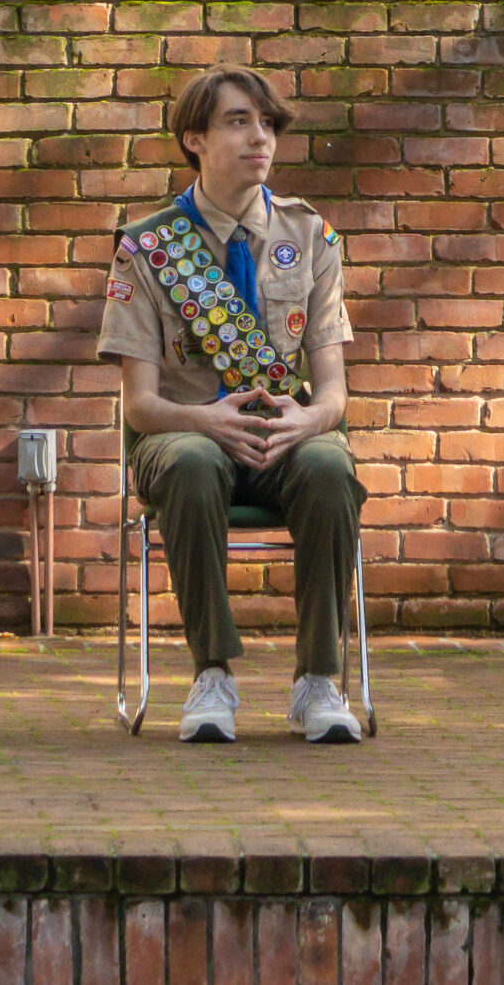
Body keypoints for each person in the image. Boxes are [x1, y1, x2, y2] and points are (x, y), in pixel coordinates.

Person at [96, 64, 369, 745]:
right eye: (238, 121)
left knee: (332, 467)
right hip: (185, 434)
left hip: (284, 435)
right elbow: (140, 405)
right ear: (193, 137)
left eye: (268, 123)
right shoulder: (148, 247)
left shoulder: (311, 237)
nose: (261, 137)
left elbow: (333, 389)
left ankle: (319, 681)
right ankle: (210, 672)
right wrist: (205, 420)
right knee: (189, 462)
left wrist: (309, 418)